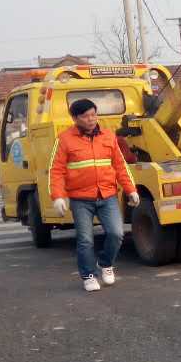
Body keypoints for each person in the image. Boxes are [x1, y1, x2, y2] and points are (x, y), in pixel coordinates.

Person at [49, 98, 139, 292]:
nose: (91, 119)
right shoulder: (64, 139)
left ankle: (105, 264)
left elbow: (120, 166)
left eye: (93, 114)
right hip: (80, 199)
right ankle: (88, 276)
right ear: (75, 118)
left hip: (107, 196)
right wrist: (57, 196)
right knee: (85, 240)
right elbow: (56, 170)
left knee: (116, 233)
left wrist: (131, 189)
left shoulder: (108, 136)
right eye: (85, 116)